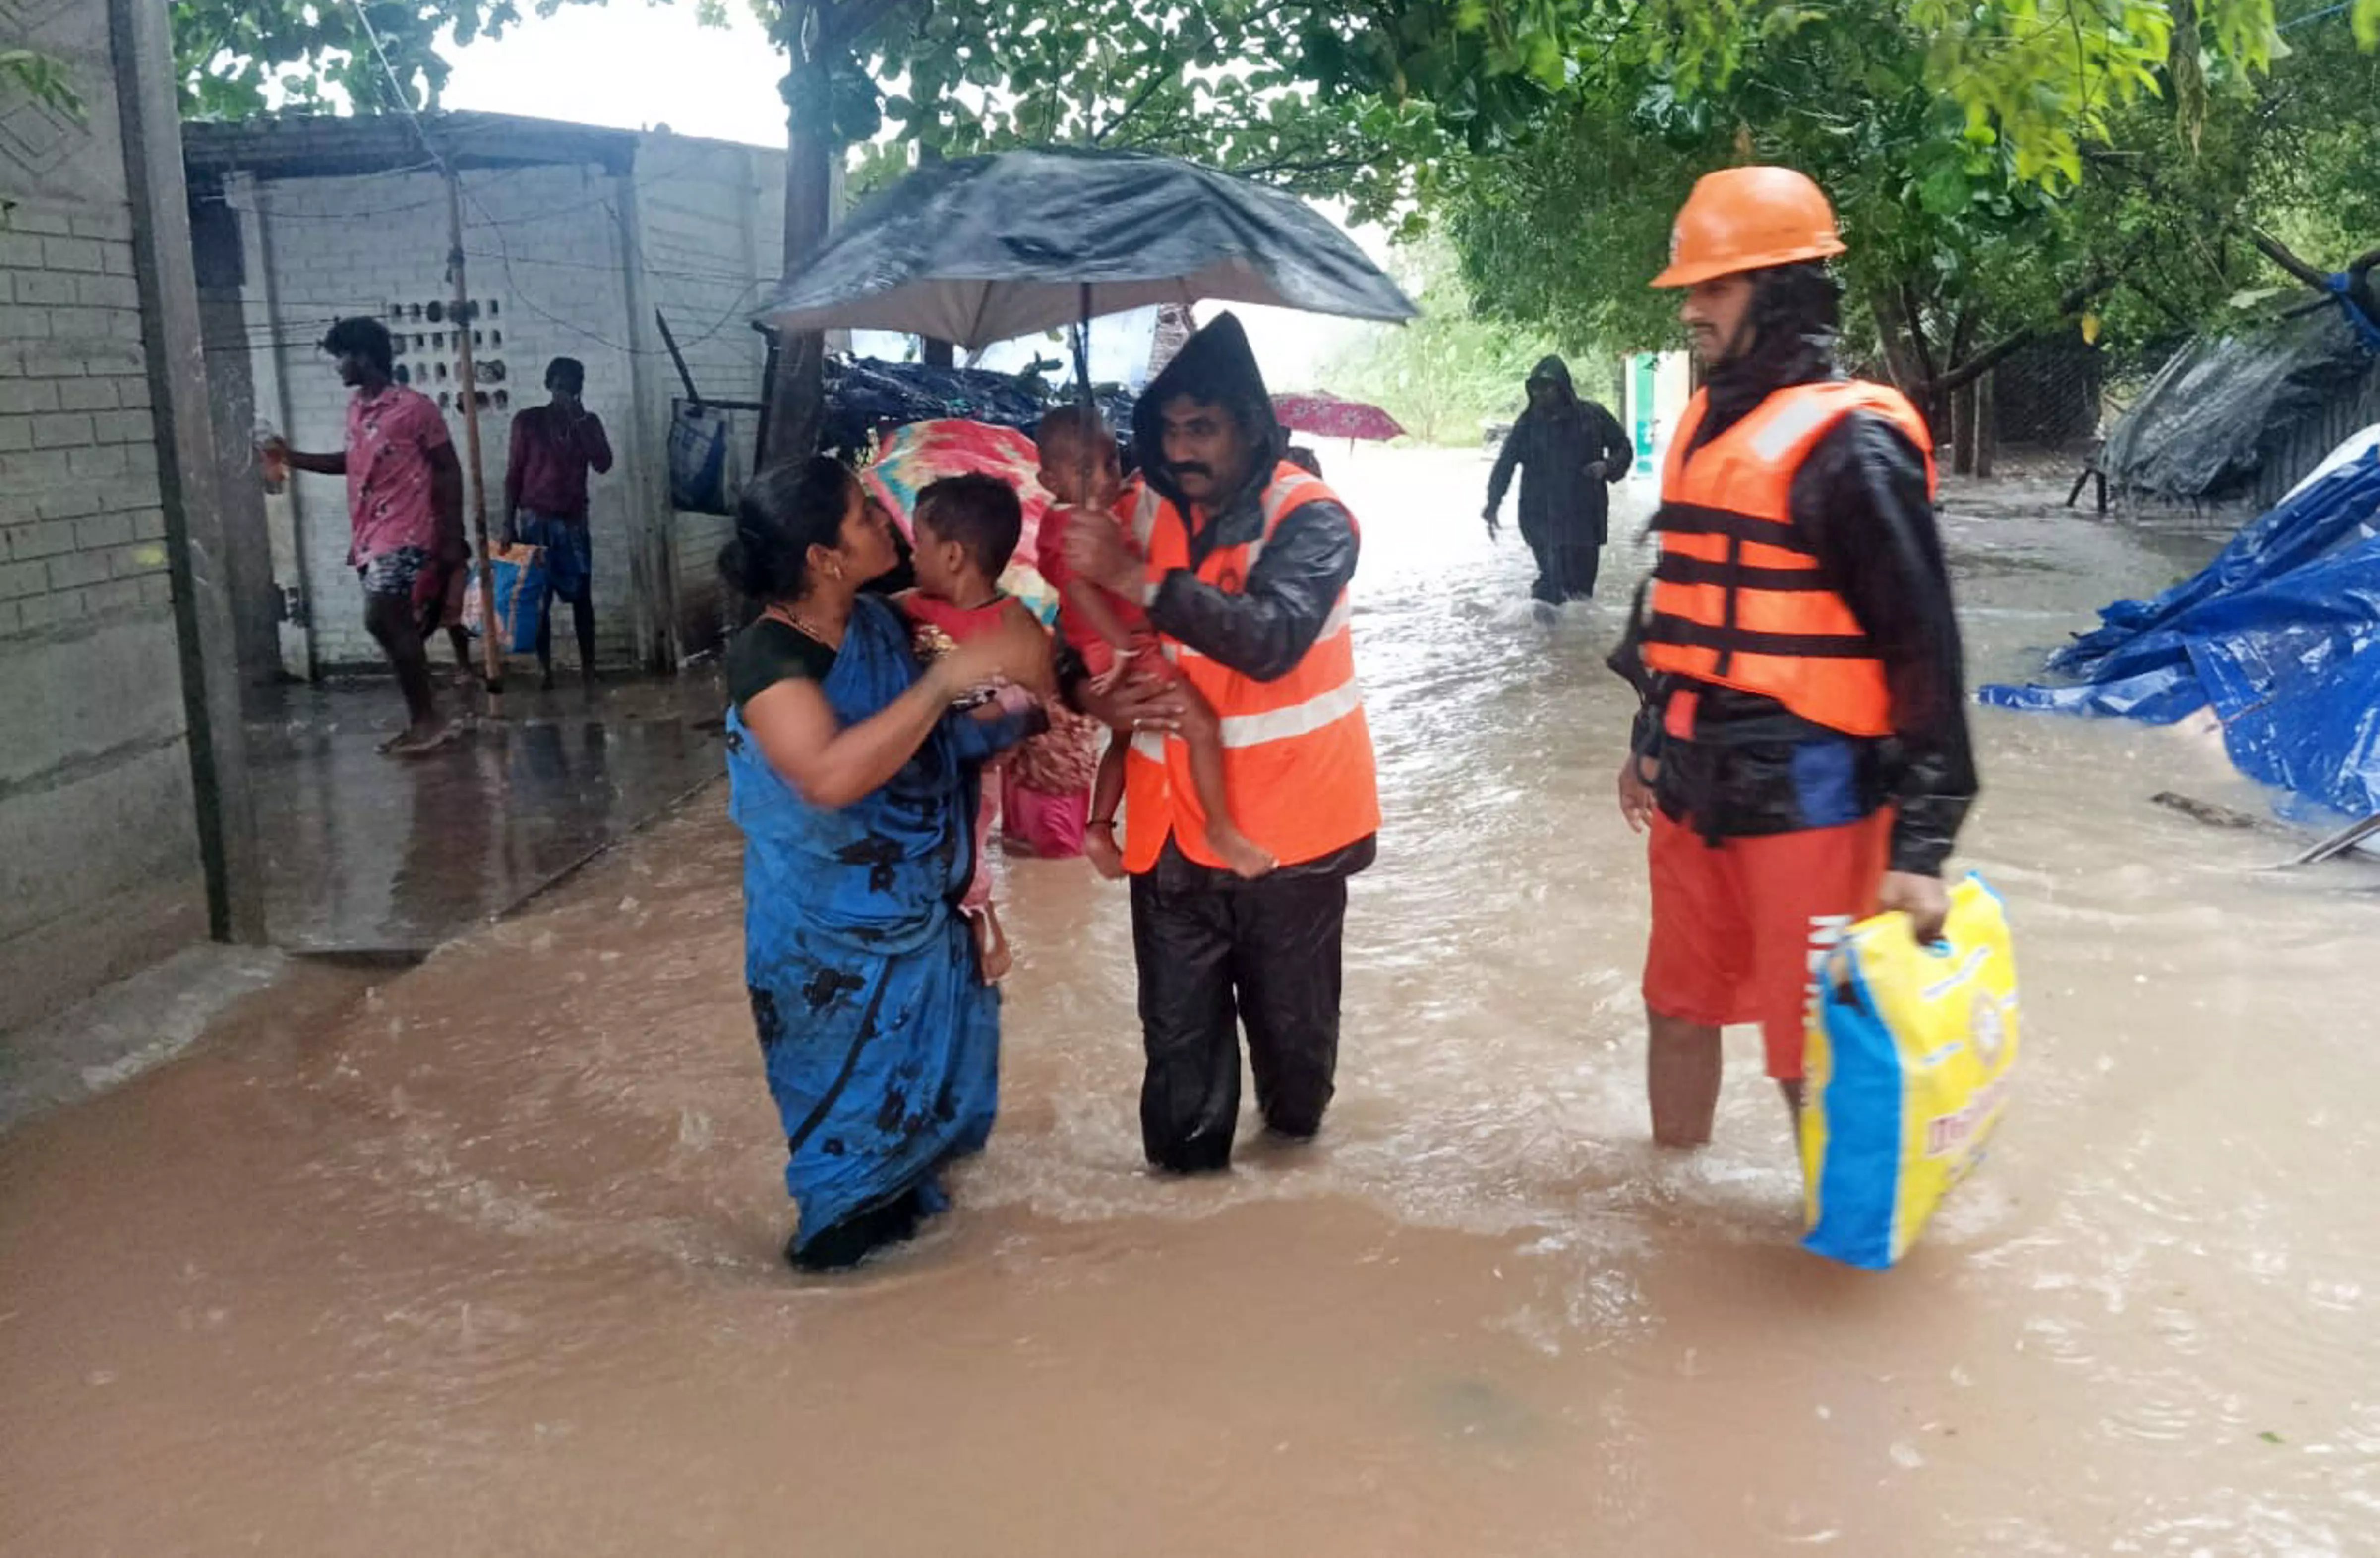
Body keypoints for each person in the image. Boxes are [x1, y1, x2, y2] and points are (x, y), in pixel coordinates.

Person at [1609, 166, 1978, 1150]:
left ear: (1780, 293)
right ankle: (1669, 1203)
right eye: (1692, 288)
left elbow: (1926, 649)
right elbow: (1682, 616)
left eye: (1713, 287)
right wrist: (1647, 739)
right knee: (1677, 1002)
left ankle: (1840, 1247)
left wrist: (1922, 847)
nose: (1692, 308)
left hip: (1812, 791)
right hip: (1694, 774)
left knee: (1809, 1047)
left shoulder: (1851, 446)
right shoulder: (1702, 425)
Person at [1063, 314, 1381, 1174]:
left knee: (1296, 1069)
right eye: (1168, 430)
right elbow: (1076, 645)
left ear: (1251, 426)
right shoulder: (1131, 506)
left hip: (1290, 839)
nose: (1182, 448)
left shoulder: (1313, 521)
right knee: (1179, 1067)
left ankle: (1288, 1204)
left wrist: (1138, 578)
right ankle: (1186, 1234)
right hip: (1168, 839)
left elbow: (1270, 639)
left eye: (1201, 428)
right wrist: (1094, 690)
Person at [720, 456, 1045, 1272]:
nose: (885, 524)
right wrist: (942, 688)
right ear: (823, 558)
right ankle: (821, 1333)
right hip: (827, 952)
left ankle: (916, 1350)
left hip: (926, 929)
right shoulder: (768, 659)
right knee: (843, 1197)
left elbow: (946, 731)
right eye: (865, 514)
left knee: (921, 1188)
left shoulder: (881, 625)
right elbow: (829, 775)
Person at [1036, 405, 1272, 882]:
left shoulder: (1100, 510)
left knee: (1126, 733)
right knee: (1200, 726)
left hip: (1116, 646)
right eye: (1088, 470)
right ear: (1049, 480)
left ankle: (1100, 827)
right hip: (1126, 647)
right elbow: (1077, 591)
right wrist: (1122, 646)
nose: (1106, 478)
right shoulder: (1082, 525)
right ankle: (1221, 829)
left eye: (1113, 463)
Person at [266, 317, 466, 754]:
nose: (338, 367)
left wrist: (453, 536)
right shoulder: (357, 410)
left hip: (408, 530)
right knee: (395, 623)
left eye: (342, 357)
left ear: (364, 356)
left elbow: (449, 470)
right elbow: (352, 462)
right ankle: (427, 715)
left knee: (382, 619)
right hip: (370, 534)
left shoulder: (415, 409)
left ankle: (427, 719)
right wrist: (291, 458)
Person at [897, 472, 1056, 981]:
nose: (911, 555)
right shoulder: (908, 607)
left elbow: (1043, 700)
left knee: (960, 851)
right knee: (935, 854)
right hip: (925, 758)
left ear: (953, 555)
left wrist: (1001, 714)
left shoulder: (1015, 624)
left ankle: (987, 947)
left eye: (918, 542)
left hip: (974, 766)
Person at [503, 357, 614, 690]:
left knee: (582, 596)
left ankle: (589, 670)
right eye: (560, 383)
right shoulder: (528, 421)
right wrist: (507, 525)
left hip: (573, 521)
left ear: (579, 388)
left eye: (572, 384)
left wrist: (579, 419)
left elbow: (604, 463)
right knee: (540, 599)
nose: (565, 390)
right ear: (549, 385)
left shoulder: (588, 423)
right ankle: (545, 671)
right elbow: (513, 475)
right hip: (535, 520)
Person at [1484, 356, 1632, 606]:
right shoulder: (1527, 424)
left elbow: (1624, 447)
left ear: (1562, 388)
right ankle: (1546, 634)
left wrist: (1607, 466)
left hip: (1585, 517)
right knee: (1552, 585)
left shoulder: (1592, 417)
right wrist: (1492, 504)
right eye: (1535, 388)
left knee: (1581, 593)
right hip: (1542, 517)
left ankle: (1576, 640)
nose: (1540, 394)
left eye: (1546, 387)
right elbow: (1505, 465)